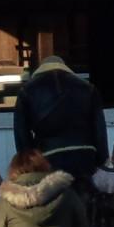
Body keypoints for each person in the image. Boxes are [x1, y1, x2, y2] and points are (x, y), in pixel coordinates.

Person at [14, 53, 106, 185]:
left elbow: (21, 133)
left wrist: (29, 163)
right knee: (84, 195)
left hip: (47, 155)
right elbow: (99, 129)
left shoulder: (27, 90)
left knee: (54, 196)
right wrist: (101, 161)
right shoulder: (88, 88)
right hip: (85, 153)